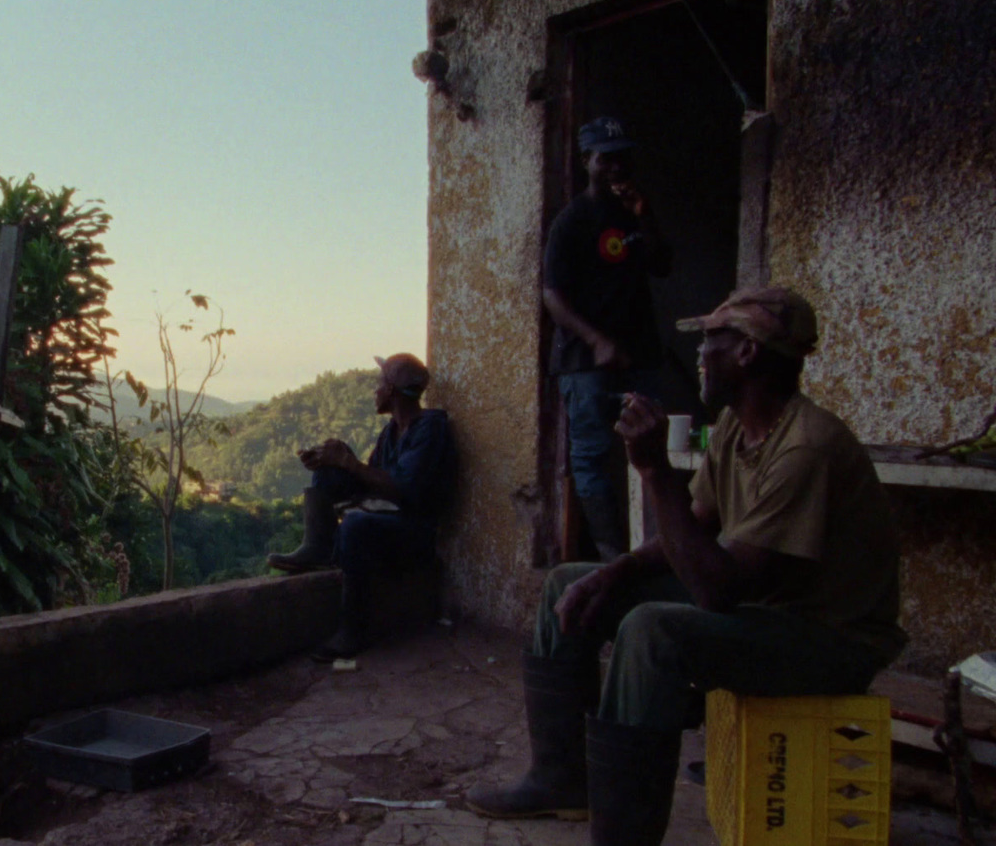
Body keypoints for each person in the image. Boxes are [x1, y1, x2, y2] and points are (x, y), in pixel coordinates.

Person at [464, 287, 906, 845]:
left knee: (655, 632)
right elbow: (691, 529)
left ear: (747, 353)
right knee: (567, 584)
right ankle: (561, 780)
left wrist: (653, 473)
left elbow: (715, 590)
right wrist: (612, 572)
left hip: (831, 640)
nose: (699, 354)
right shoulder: (733, 430)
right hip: (766, 609)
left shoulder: (805, 448)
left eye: (710, 340)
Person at [266, 353, 455, 661]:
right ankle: (317, 548)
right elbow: (374, 481)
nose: (375, 390)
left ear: (392, 390)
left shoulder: (429, 430)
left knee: (355, 524)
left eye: (379, 384)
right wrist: (335, 462)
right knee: (328, 473)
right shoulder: (390, 432)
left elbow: (404, 490)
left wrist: (350, 463)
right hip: (390, 518)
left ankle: (354, 628)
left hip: (415, 533)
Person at [543, 116, 672, 560]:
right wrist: (596, 340)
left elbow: (661, 265)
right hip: (585, 363)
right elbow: (553, 297)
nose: (617, 167)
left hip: (641, 354)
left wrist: (646, 215)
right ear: (586, 162)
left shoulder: (632, 212)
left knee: (656, 445)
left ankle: (655, 551)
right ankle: (612, 556)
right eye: (606, 159)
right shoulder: (571, 222)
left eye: (622, 158)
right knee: (593, 454)